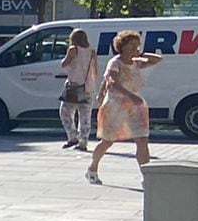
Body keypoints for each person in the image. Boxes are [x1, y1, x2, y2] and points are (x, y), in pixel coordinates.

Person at [87, 30, 163, 184]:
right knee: (107, 140)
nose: (135, 47)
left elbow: (158, 59)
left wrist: (141, 53)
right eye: (132, 44)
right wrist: (130, 95)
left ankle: (146, 176)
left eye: (137, 44)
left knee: (142, 139)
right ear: (122, 46)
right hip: (116, 105)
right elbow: (113, 82)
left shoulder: (136, 62)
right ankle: (92, 168)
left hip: (136, 106)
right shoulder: (115, 62)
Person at [59, 28, 101, 150]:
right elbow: (95, 70)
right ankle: (83, 142)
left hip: (74, 86)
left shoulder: (73, 49)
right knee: (85, 116)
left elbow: (64, 64)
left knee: (65, 112)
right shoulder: (92, 51)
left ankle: (72, 137)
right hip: (88, 87)